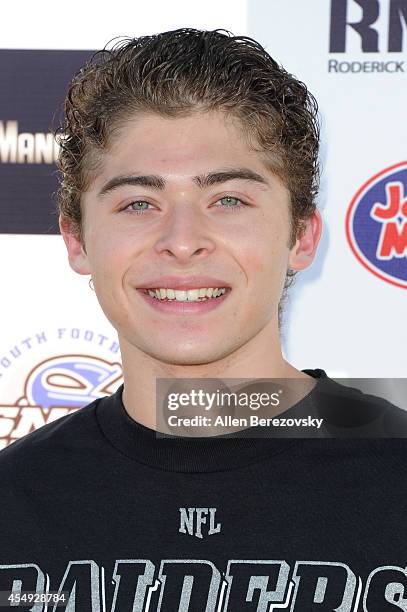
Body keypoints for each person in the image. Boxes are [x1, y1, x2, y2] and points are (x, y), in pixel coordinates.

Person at [0, 28, 406, 610]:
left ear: (301, 236)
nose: (182, 242)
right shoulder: (12, 504)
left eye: (229, 200)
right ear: (76, 240)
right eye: (139, 203)